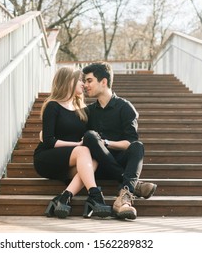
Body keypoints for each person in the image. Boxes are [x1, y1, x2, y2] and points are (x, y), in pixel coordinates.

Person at [82, 62, 157, 220]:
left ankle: (123, 200)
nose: (85, 85)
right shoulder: (88, 111)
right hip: (97, 165)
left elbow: (130, 142)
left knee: (138, 146)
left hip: (120, 158)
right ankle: (133, 185)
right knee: (90, 136)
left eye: (89, 81)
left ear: (103, 82)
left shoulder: (125, 107)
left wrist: (106, 143)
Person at [33, 66, 112, 219]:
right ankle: (95, 195)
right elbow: (49, 141)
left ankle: (64, 198)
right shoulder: (52, 106)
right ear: (69, 82)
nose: (83, 84)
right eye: (80, 80)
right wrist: (77, 145)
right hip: (47, 158)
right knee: (83, 151)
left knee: (93, 157)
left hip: (72, 161)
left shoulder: (82, 110)